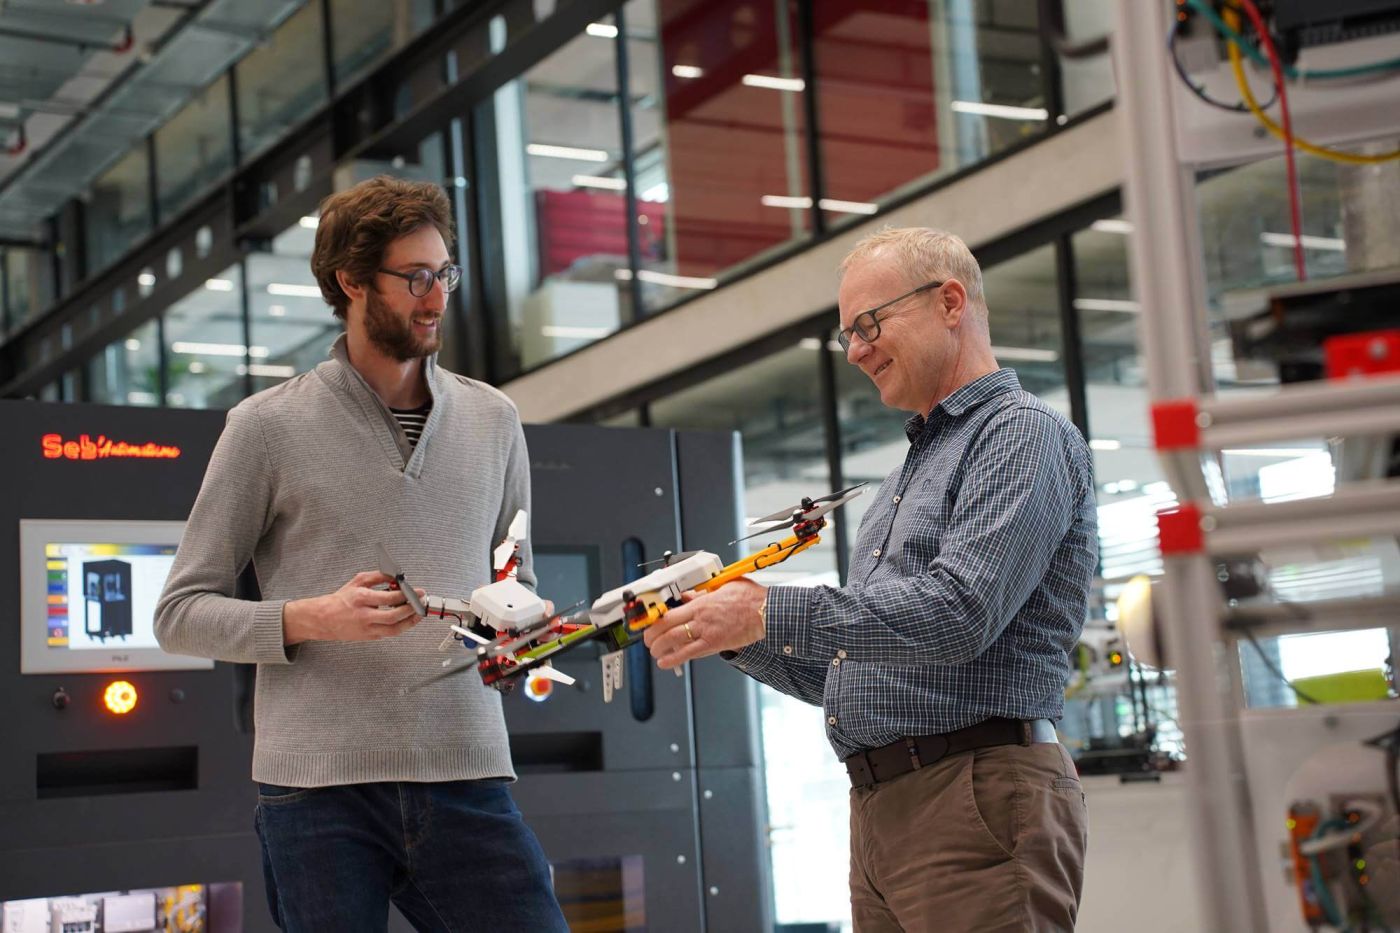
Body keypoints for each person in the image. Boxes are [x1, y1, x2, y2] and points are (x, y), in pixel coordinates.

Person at [645, 227, 1097, 931]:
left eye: (869, 323)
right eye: (846, 334)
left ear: (951, 302)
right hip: (885, 808)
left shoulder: (1019, 434)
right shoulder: (904, 477)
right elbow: (860, 672)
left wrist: (767, 609)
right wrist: (729, 633)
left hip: (972, 792)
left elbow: (960, 613)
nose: (856, 350)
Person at [155, 175, 567, 932]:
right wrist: (313, 617)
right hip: (317, 794)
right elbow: (180, 613)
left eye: (444, 273)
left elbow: (517, 579)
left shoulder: (495, 419)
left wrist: (526, 629)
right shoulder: (263, 428)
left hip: (467, 770)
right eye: (414, 277)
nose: (436, 296)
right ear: (349, 281)